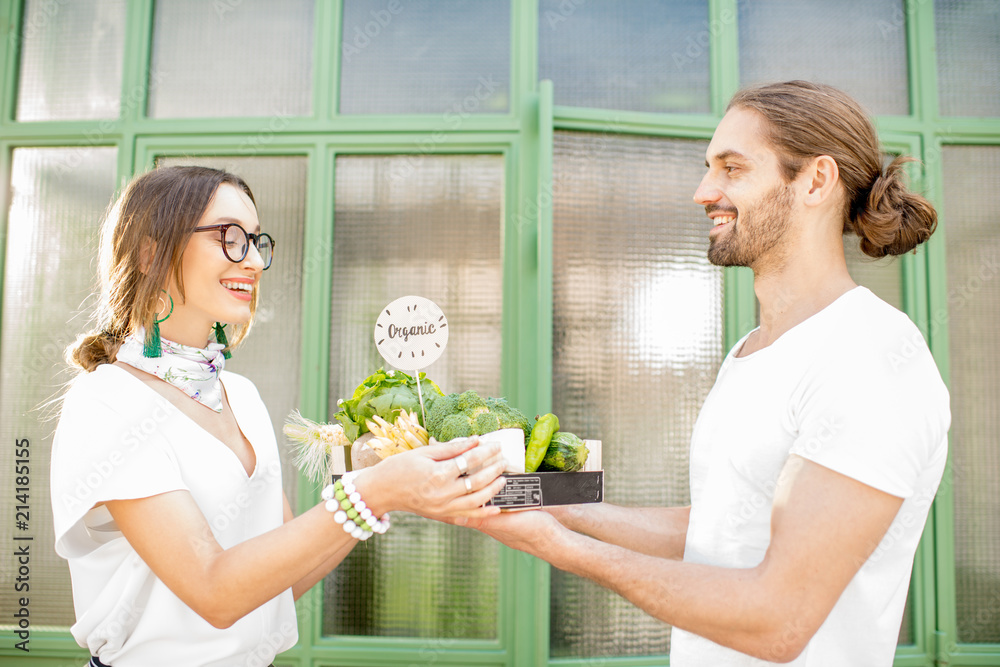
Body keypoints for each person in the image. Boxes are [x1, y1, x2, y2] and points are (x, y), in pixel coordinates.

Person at [468, 81, 950, 666]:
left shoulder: (871, 356)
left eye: (732, 168)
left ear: (816, 181)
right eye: (708, 168)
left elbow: (781, 619)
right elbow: (726, 529)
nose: (704, 192)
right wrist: (549, 504)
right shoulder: (752, 350)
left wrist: (563, 549)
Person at [50, 165, 507, 667]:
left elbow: (281, 583)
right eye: (229, 238)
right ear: (150, 251)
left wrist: (379, 488)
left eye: (254, 241)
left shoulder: (240, 395)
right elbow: (214, 591)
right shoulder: (108, 402)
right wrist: (373, 491)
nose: (252, 261)